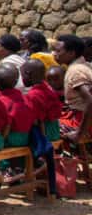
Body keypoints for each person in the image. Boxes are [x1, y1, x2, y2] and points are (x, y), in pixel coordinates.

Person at [23, 59, 61, 196]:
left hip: (45, 134)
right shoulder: (48, 88)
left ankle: (17, 172)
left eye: (22, 75)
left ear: (28, 74)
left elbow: (36, 121)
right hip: (54, 130)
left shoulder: (33, 95)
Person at [53, 34, 92, 144]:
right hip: (82, 118)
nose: (54, 54)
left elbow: (90, 100)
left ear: (71, 53)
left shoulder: (75, 71)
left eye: (58, 51)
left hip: (81, 122)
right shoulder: (85, 65)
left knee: (46, 127)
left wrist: (80, 133)